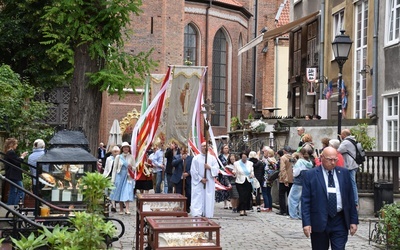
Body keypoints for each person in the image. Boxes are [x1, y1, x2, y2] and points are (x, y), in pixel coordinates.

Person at [302, 146, 358, 249]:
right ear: (321, 157)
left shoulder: (344, 173)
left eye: (335, 159)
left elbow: (350, 198)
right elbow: (306, 201)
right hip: (320, 220)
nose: (333, 162)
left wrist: (354, 220)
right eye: (329, 159)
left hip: (339, 220)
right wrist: (306, 223)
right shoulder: (311, 175)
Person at [190, 142, 219, 218]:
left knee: (208, 197)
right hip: (199, 182)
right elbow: (193, 171)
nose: (204, 148)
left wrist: (209, 167)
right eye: (203, 146)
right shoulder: (196, 158)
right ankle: (197, 213)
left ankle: (208, 213)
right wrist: (200, 179)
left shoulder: (212, 158)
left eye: (206, 146)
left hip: (209, 182)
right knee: (198, 197)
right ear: (200, 147)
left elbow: (216, 169)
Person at [110, 142, 135, 215]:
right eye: (124, 147)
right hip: (120, 176)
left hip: (128, 176)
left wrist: (131, 167)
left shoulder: (131, 157)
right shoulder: (118, 157)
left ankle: (127, 209)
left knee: (127, 192)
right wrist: (113, 180)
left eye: (127, 147)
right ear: (122, 149)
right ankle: (121, 209)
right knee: (120, 192)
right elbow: (115, 169)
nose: (126, 148)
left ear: (129, 148)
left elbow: (134, 167)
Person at [288, 147, 313, 219]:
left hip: (298, 182)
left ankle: (293, 215)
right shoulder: (309, 162)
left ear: (300, 153)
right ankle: (302, 215)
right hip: (306, 182)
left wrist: (293, 169)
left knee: (293, 198)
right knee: (302, 200)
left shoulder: (299, 162)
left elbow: (296, 173)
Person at [337, 129, 360, 207]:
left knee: (352, 183)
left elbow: (338, 150)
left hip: (350, 165)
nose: (341, 136)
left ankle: (355, 201)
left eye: (341, 134)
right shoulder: (353, 140)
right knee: (351, 182)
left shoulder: (346, 142)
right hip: (354, 164)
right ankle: (353, 200)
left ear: (344, 135)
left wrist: (340, 141)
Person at [4, 138, 28, 205]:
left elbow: (14, 161)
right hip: (14, 175)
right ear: (12, 144)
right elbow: (17, 162)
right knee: (21, 191)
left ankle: (10, 206)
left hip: (10, 174)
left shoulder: (8, 153)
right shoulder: (11, 152)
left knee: (12, 191)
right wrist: (22, 156)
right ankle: (17, 206)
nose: (16, 145)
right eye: (16, 144)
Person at [171, 147, 193, 212]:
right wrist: (181, 159)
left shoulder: (191, 158)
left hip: (187, 179)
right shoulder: (176, 157)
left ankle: (187, 207)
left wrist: (188, 173)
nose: (184, 152)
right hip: (178, 179)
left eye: (185, 150)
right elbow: (173, 164)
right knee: (178, 194)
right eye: (182, 150)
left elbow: (193, 168)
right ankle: (179, 207)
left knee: (188, 194)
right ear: (180, 151)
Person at [233, 151, 254, 216]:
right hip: (240, 181)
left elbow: (252, 171)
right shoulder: (236, 163)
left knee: (247, 196)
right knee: (242, 195)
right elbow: (234, 171)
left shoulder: (250, 163)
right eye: (243, 157)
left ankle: (245, 209)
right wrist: (234, 173)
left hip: (248, 181)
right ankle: (241, 209)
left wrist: (252, 175)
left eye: (245, 157)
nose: (244, 158)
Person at [277, 146, 294, 215]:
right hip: (292, 179)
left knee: (281, 195)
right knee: (289, 195)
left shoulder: (283, 158)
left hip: (284, 179)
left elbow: (282, 169)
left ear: (284, 151)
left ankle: (283, 210)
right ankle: (289, 210)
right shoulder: (293, 158)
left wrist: (285, 179)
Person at [103, 145, 120, 212]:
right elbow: (107, 169)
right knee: (111, 191)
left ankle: (120, 203)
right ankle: (113, 205)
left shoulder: (120, 159)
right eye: (114, 152)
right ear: (112, 152)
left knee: (117, 191)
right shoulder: (109, 159)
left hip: (118, 177)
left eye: (117, 152)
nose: (115, 153)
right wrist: (104, 176)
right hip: (110, 176)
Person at [262, 147, 277, 213]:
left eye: (265, 151)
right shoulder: (274, 160)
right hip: (271, 178)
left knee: (265, 192)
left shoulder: (268, 160)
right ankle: (270, 207)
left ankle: (267, 207)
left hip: (266, 178)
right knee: (269, 193)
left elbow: (265, 168)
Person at [216, 144, 231, 209]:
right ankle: (225, 203)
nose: (226, 149)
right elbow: (218, 165)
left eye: (227, 148)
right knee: (224, 188)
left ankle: (230, 203)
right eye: (225, 148)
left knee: (230, 188)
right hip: (223, 174)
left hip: (230, 174)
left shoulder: (230, 156)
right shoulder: (220, 157)